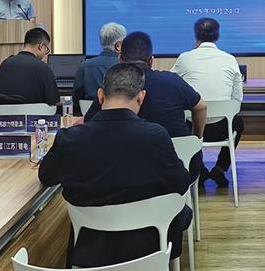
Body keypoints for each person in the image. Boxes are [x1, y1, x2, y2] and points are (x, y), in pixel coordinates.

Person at [38, 62, 191, 267]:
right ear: (141, 97)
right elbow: (181, 183)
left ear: (100, 96)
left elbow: (46, 176)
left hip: (90, 249)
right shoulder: (155, 136)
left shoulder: (70, 138)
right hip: (149, 247)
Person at [83, 31, 207, 180]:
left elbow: (89, 121)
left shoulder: (113, 85)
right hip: (180, 169)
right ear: (151, 60)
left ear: (120, 59)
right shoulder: (173, 81)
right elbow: (201, 107)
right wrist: (196, 139)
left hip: (123, 172)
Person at [170, 18, 244, 188]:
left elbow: (171, 86)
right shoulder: (230, 59)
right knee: (237, 123)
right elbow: (237, 100)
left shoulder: (185, 58)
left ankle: (199, 169)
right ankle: (220, 168)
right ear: (218, 36)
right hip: (221, 129)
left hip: (192, 128)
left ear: (196, 35)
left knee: (176, 120)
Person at [0, 28, 59, 105]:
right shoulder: (43, 68)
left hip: (3, 112)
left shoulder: (5, 64)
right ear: (41, 46)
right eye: (46, 50)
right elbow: (52, 102)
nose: (45, 53)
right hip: (34, 113)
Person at [72, 22, 126, 104]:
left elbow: (76, 99)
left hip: (89, 111)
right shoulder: (128, 67)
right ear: (118, 46)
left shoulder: (84, 67)